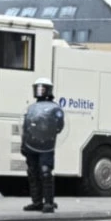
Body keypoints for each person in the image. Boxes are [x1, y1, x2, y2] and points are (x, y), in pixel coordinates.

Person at [21, 77, 65, 213]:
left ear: (48, 90)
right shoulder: (32, 107)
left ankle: (49, 202)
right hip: (32, 145)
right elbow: (26, 126)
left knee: (45, 172)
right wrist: (24, 144)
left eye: (42, 88)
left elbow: (59, 126)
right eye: (38, 88)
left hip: (46, 145)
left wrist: (47, 130)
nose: (39, 91)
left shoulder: (55, 108)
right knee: (32, 173)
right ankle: (37, 201)